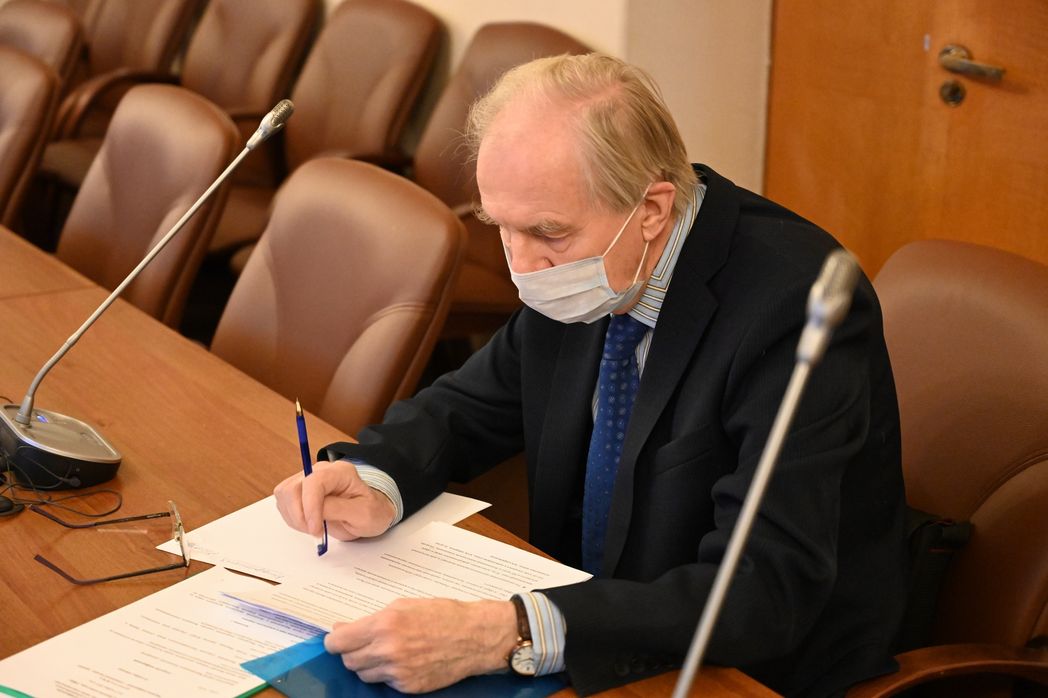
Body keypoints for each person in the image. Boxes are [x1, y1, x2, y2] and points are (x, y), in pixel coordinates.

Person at [273, 53, 908, 697]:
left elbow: (762, 589)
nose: (522, 265)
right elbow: (466, 409)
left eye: (546, 232)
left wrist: (506, 632)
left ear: (652, 209)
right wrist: (376, 477)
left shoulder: (794, 309)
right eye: (501, 228)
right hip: (591, 630)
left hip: (741, 669)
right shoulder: (586, 259)